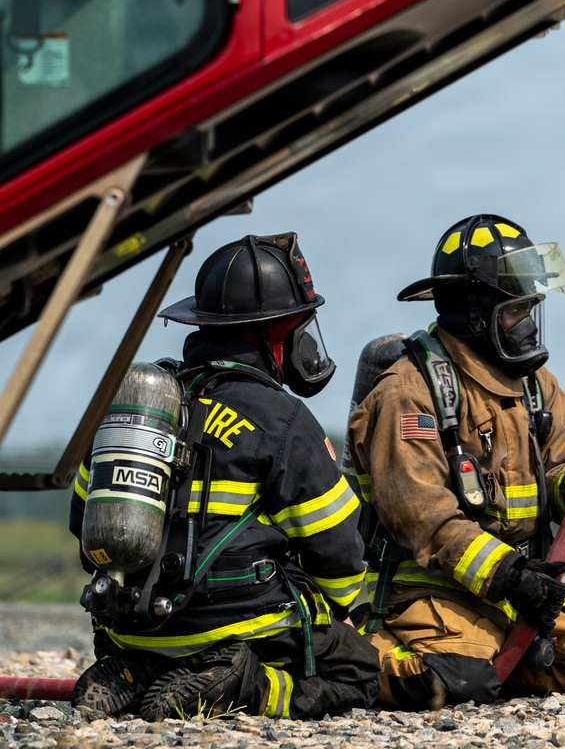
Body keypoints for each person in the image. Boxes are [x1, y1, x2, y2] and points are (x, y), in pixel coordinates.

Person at [70, 233, 380, 719]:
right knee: (357, 671)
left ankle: (139, 669)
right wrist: (338, 609)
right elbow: (337, 551)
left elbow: (82, 522)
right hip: (233, 628)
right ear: (274, 333)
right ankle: (242, 685)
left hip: (129, 625)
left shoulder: (141, 407)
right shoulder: (282, 418)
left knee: (159, 644)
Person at [347, 214, 565, 709]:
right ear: (473, 312)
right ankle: (352, 658)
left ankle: (491, 661)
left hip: (528, 583)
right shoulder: (409, 391)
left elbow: (564, 460)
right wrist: (510, 577)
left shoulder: (535, 385)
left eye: (531, 308)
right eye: (516, 311)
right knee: (451, 686)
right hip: (439, 588)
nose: (527, 324)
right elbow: (424, 518)